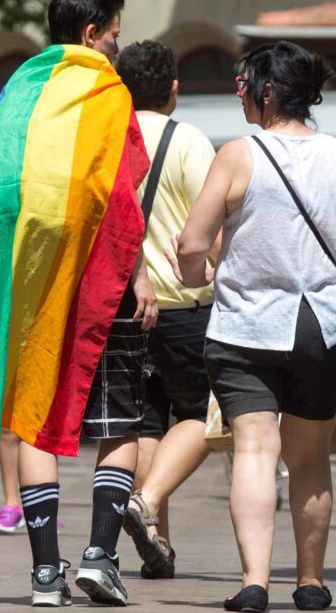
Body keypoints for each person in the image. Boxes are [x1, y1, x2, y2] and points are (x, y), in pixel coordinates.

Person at [0, 0, 152, 608]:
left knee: (33, 423)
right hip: (100, 282)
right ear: (91, 33)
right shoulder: (107, 91)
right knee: (118, 421)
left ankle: (47, 574)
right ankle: (101, 557)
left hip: (25, 288)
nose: (115, 49)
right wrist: (141, 276)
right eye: (114, 36)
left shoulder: (16, 89)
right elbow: (121, 197)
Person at [166, 41, 336, 612]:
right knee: (310, 457)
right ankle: (310, 584)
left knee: (256, 451)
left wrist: (198, 272)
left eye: (241, 85)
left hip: (247, 329)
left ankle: (253, 582)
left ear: (265, 92)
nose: (238, 95)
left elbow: (192, 245)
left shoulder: (238, 155)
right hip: (325, 329)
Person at [109, 41, 218, 580]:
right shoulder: (189, 141)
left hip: (123, 306)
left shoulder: (109, 140)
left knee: (146, 424)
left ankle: (160, 545)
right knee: (204, 416)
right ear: (174, 88)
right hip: (184, 306)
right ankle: (145, 502)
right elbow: (214, 224)